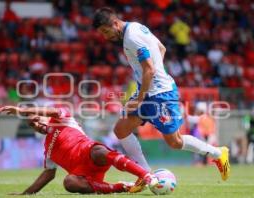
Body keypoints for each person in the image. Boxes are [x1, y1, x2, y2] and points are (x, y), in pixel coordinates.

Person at [92, 7, 230, 185]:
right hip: (147, 88)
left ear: (115, 23)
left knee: (175, 141)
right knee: (121, 129)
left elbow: (149, 69)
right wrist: (151, 79)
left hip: (160, 94)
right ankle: (145, 175)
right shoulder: (137, 27)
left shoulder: (132, 37)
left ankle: (218, 153)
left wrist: (141, 97)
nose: (105, 36)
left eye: (106, 31)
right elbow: (161, 48)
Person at [0, 106, 158, 194]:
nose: (37, 125)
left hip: (91, 154)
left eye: (37, 120)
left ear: (44, 116)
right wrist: (25, 194)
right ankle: (121, 187)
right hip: (84, 177)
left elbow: (53, 111)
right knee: (69, 182)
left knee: (99, 150)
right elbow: (48, 175)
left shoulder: (62, 118)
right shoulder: (48, 149)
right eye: (33, 125)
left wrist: (23, 111)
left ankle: (145, 175)